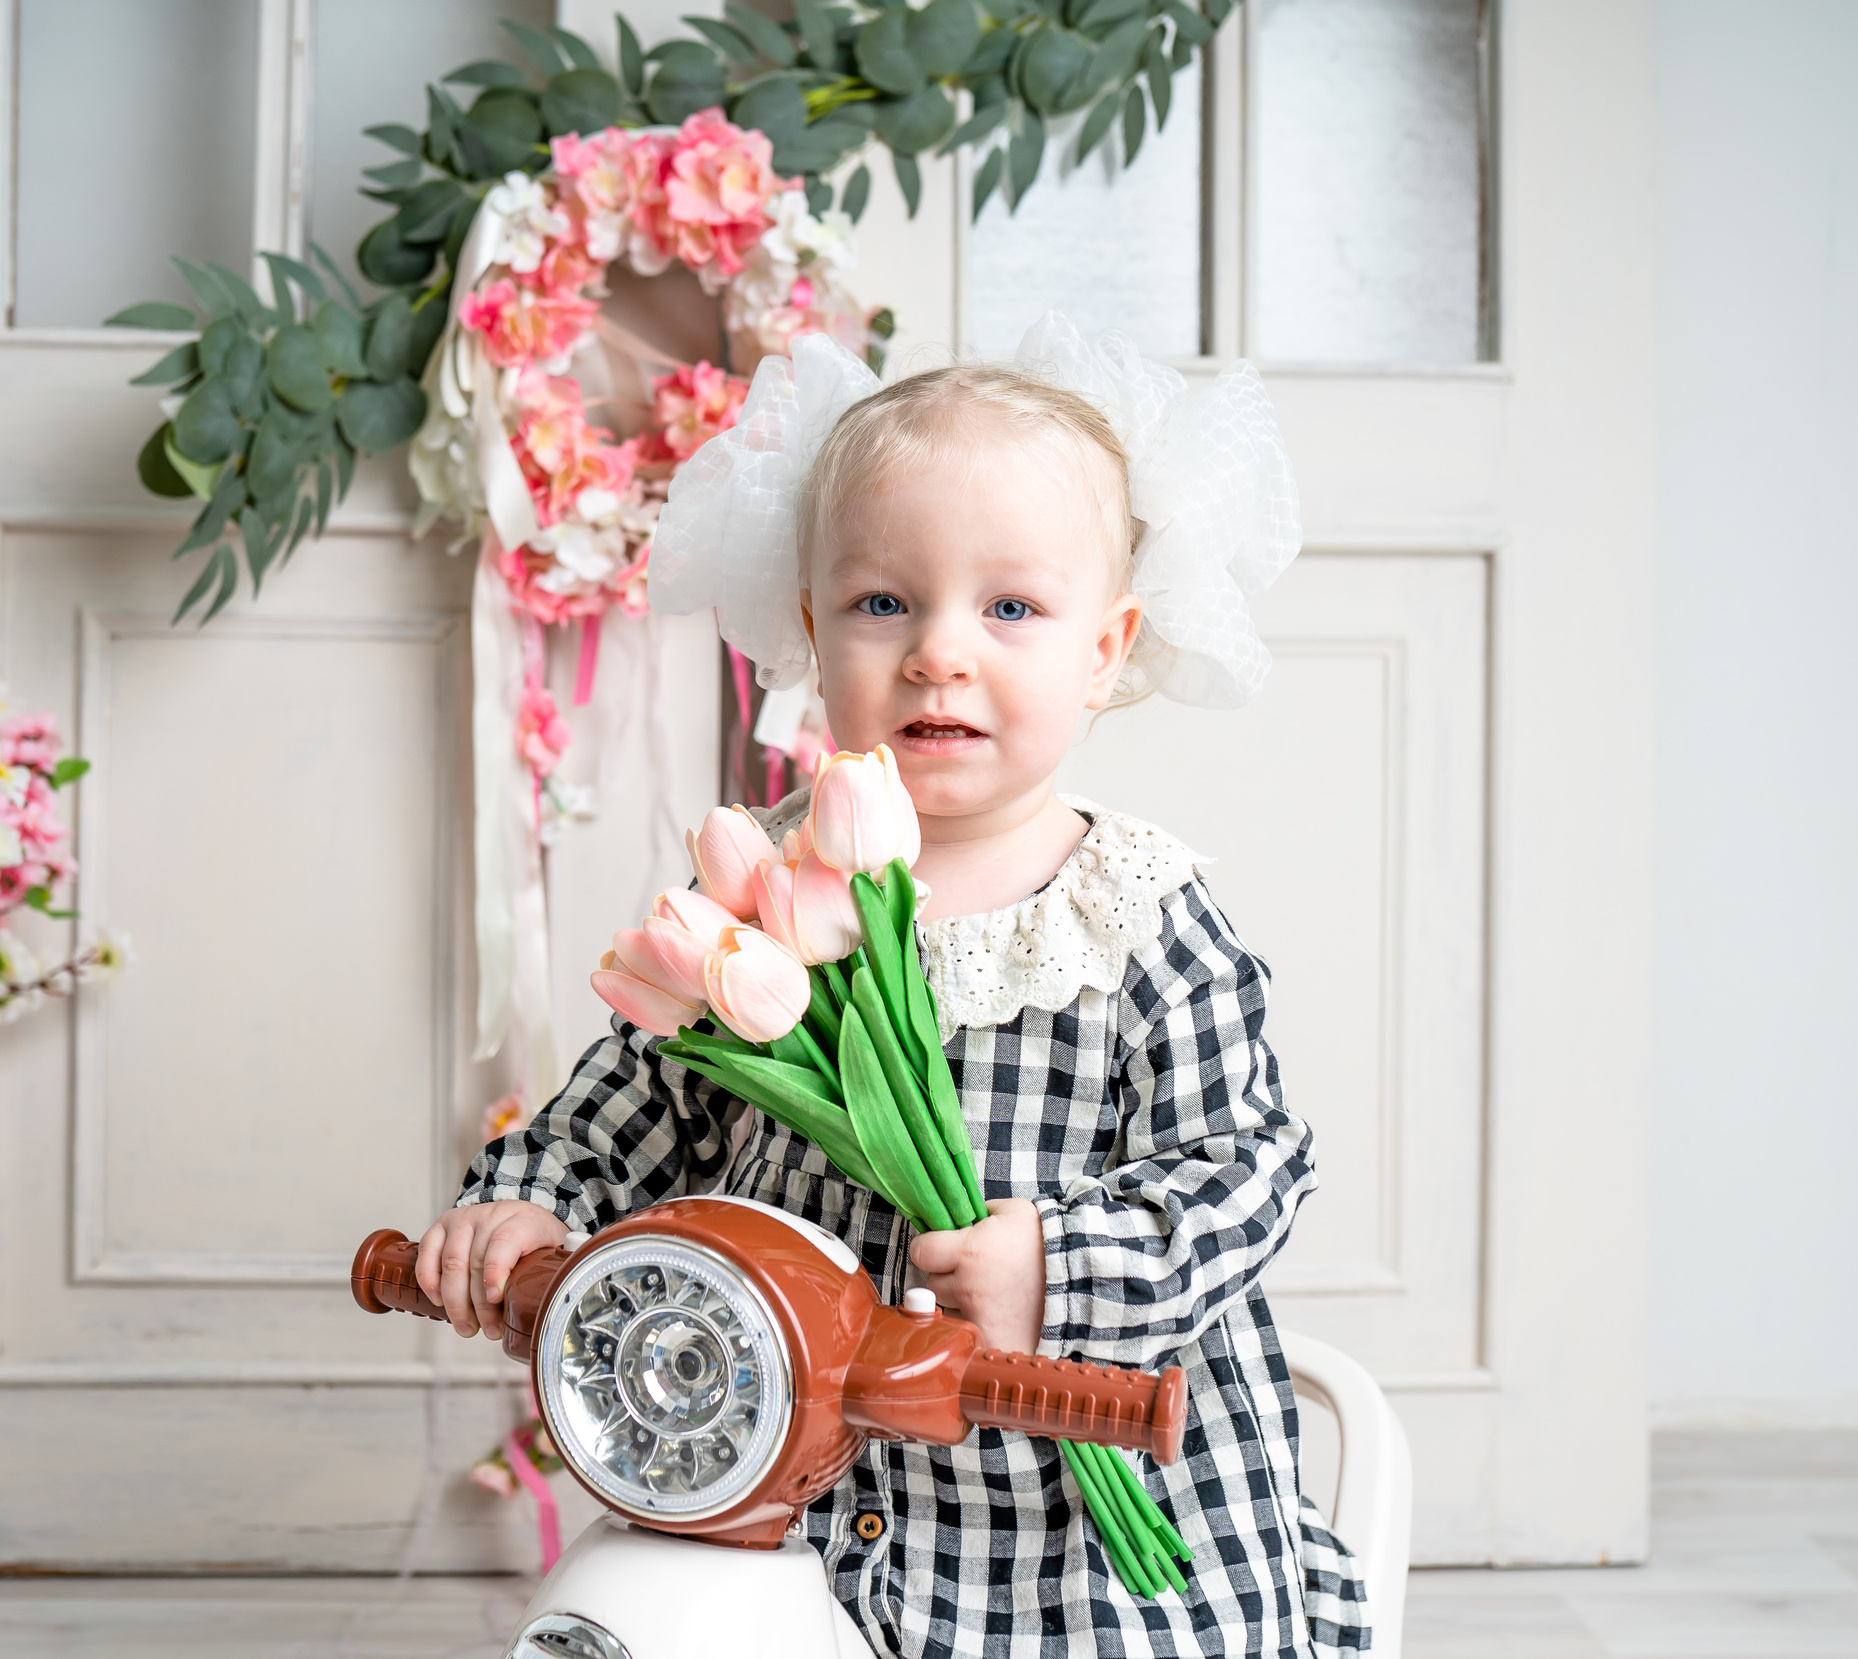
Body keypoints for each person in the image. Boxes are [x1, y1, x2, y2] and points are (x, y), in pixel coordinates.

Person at [418, 314, 1369, 1658]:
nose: (938, 652)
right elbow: (629, 1104)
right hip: (794, 1478)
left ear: (1106, 648)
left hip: (1066, 1519)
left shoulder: (1140, 917)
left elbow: (1249, 1167)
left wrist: (1063, 1264)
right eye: (883, 603)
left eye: (1012, 608)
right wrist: (529, 1199)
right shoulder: (768, 893)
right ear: (810, 629)